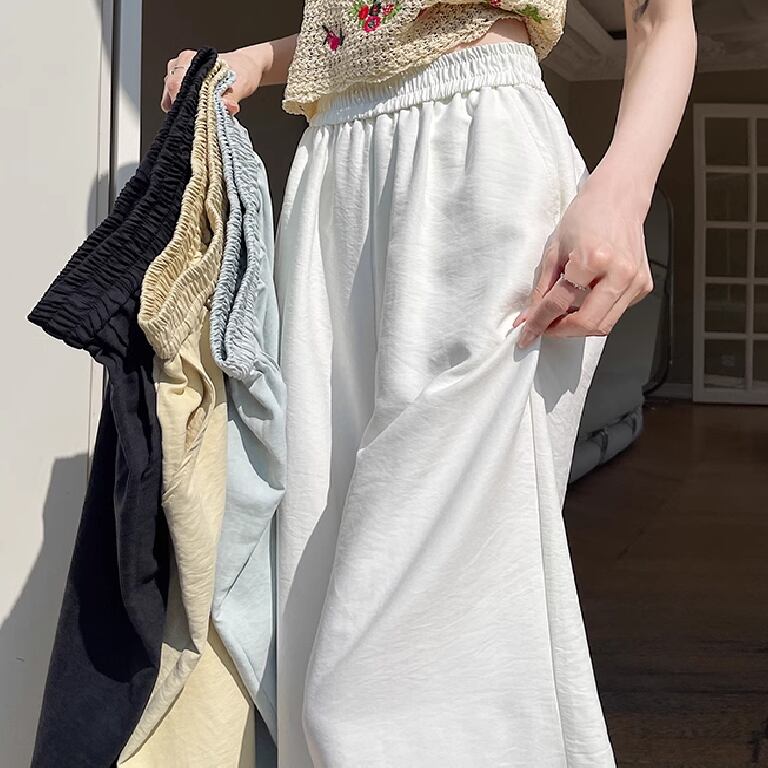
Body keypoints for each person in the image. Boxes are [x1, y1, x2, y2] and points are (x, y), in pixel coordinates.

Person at [161, 2, 696, 766]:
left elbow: (660, 16)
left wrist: (623, 192)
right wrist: (255, 60)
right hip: (332, 173)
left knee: (399, 670)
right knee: (310, 595)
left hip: (478, 156)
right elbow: (369, 19)